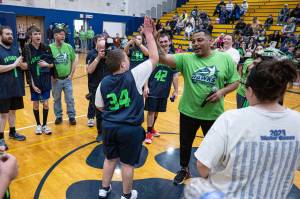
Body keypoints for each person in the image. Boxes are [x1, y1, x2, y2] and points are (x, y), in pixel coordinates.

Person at [184, 58, 299, 199]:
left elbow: (202, 165)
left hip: (229, 194)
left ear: (249, 90)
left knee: (193, 188)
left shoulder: (231, 119)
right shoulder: (297, 121)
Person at [158, 30, 240, 185]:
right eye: (193, 41)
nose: (195, 44)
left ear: (211, 42)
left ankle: (213, 173)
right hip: (188, 112)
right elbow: (161, 57)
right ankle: (184, 169)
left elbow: (235, 82)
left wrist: (222, 92)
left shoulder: (225, 59)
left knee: (215, 146)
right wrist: (152, 37)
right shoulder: (186, 59)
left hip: (213, 114)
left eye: (200, 40)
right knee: (185, 143)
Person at [95, 16, 158, 199]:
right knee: (128, 164)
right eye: (127, 58)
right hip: (129, 129)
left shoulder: (104, 82)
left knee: (109, 159)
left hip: (109, 127)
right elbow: (154, 57)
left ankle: (104, 189)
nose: (129, 60)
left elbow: (99, 107)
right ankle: (126, 195)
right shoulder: (134, 76)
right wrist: (148, 34)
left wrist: (115, 112)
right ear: (123, 64)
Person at [143, 33, 179, 144]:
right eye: (161, 42)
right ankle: (148, 133)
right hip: (153, 88)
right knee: (151, 111)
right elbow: (147, 72)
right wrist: (146, 86)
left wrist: (176, 90)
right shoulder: (155, 56)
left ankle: (152, 128)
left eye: (165, 41)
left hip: (164, 90)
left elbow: (175, 75)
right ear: (158, 43)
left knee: (157, 111)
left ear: (170, 42)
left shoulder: (173, 58)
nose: (163, 44)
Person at [23, 26, 54, 135]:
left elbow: (53, 64)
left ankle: (45, 125)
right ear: (31, 36)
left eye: (39, 34)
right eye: (35, 34)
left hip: (45, 81)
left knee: (45, 104)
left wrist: (48, 64)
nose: (38, 36)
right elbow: (27, 69)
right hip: (34, 82)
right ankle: (38, 125)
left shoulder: (46, 47)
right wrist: (32, 85)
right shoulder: (27, 49)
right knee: (35, 105)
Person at [0, 26, 27, 150]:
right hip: (3, 87)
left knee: (13, 111)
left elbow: (22, 66)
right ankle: (0, 139)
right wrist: (14, 64)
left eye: (11, 34)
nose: (10, 36)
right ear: (1, 35)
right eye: (7, 34)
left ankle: (12, 132)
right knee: (3, 114)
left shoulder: (16, 49)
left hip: (15, 86)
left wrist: (22, 65)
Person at [50, 28, 78, 125]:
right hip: (56, 80)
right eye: (60, 34)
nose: (63, 36)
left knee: (69, 99)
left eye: (64, 34)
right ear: (55, 35)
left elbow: (74, 60)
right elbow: (48, 64)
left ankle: (71, 116)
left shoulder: (68, 47)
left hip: (67, 79)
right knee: (56, 99)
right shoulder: (49, 48)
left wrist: (71, 74)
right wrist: (51, 76)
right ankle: (58, 116)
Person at [86, 35, 110, 141]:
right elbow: (89, 70)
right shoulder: (91, 54)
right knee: (99, 112)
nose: (103, 41)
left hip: (109, 86)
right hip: (95, 87)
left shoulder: (109, 53)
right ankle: (100, 133)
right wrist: (98, 57)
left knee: (109, 110)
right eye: (100, 40)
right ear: (96, 42)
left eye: (104, 40)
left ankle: (109, 132)